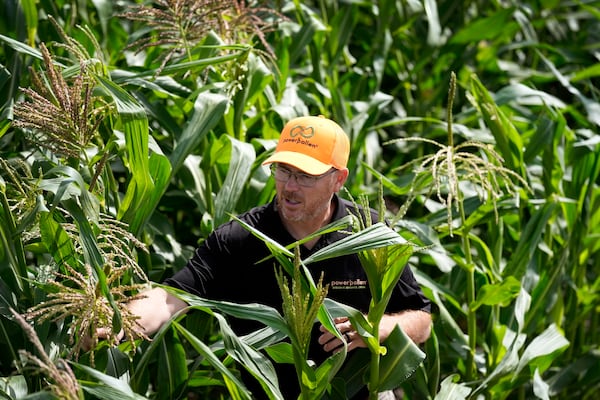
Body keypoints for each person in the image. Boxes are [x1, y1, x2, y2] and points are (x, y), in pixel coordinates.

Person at [122, 115, 432, 399]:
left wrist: (375, 328)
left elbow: (421, 319)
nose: (290, 187)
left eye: (306, 176)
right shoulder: (240, 239)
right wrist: (120, 322)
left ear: (338, 179)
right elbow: (169, 298)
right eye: (283, 170)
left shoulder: (369, 234)